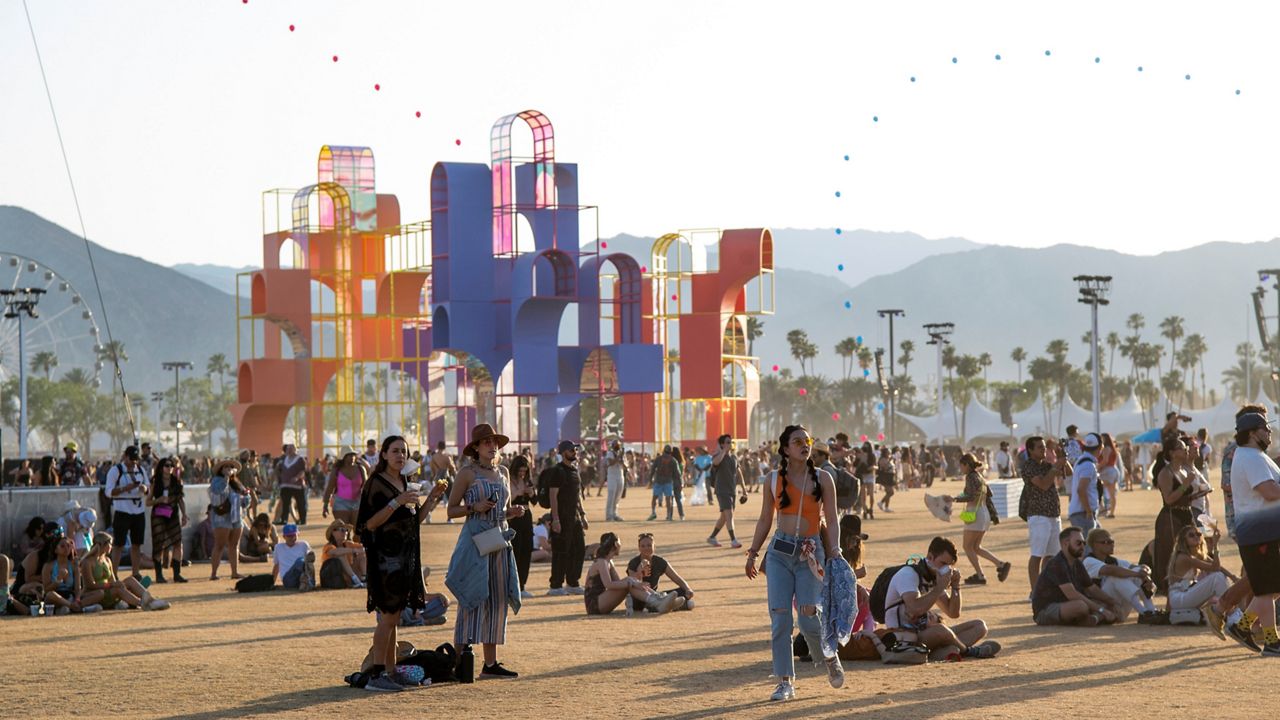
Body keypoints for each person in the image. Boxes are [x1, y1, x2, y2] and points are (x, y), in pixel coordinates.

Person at [744, 425, 844, 702]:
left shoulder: (823, 478)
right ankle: (784, 681)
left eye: (807, 440)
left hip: (811, 553)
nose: (805, 445)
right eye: (797, 441)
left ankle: (828, 654)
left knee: (809, 614)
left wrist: (834, 548)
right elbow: (765, 519)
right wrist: (753, 553)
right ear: (786, 449)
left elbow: (833, 519)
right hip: (779, 553)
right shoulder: (772, 479)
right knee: (780, 618)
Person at [357, 436, 439, 692]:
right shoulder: (376, 484)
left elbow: (414, 520)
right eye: (394, 451)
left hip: (405, 559)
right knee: (388, 618)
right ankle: (377, 674)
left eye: (403, 451)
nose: (400, 455)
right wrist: (396, 502)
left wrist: (432, 499)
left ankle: (391, 671)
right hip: (386, 559)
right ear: (383, 455)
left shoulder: (404, 481)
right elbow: (368, 524)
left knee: (393, 620)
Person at [446, 423, 524, 680]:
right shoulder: (467, 473)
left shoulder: (502, 472)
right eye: (487, 442)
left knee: (498, 599)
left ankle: (490, 664)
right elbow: (451, 510)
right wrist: (474, 507)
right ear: (476, 448)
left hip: (499, 541)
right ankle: (460, 662)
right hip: (475, 541)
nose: (493, 446)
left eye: (495, 442)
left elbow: (505, 510)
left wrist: (512, 512)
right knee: (473, 597)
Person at [1222, 412, 1280, 655]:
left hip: (1264, 531)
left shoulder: (1254, 456)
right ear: (1253, 432)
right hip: (1259, 533)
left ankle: (1243, 627)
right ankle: (1271, 641)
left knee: (1272, 587)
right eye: (1265, 429)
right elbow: (1268, 491)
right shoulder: (1251, 457)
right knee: (1266, 588)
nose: (1269, 433)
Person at [1031, 527, 1122, 626]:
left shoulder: (1076, 562)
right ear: (1066, 543)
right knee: (1081, 606)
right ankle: (1093, 618)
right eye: (1078, 543)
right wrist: (1102, 610)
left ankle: (1093, 619)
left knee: (1104, 604)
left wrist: (1112, 602)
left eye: (1084, 543)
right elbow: (1072, 594)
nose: (1082, 546)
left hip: (1067, 604)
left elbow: (1092, 588)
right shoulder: (1056, 564)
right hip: (1046, 610)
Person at [944, 453, 1011, 585]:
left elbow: (971, 497)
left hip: (975, 514)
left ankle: (980, 575)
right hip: (984, 513)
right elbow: (988, 494)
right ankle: (1000, 564)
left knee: (968, 547)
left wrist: (955, 499)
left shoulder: (970, 477)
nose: (960, 469)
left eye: (961, 466)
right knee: (976, 547)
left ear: (966, 465)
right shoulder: (979, 476)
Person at [1151, 435, 1205, 594]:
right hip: (1170, 518)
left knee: (1194, 548)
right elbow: (1168, 499)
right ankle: (1168, 590)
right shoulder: (1165, 473)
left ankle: (1189, 583)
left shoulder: (1183, 469)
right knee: (1169, 554)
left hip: (1186, 513)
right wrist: (1186, 484)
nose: (1186, 449)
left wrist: (1194, 495)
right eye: (1182, 447)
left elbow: (1181, 496)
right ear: (1172, 453)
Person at [585, 532, 684, 615]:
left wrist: (636, 578)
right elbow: (609, 584)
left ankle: (660, 600)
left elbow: (619, 583)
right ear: (615, 544)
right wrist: (632, 582)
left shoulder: (609, 561)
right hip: (594, 605)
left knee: (630, 581)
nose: (621, 545)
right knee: (629, 581)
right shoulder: (602, 562)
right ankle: (657, 602)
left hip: (601, 601)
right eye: (619, 542)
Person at [1082, 529, 1162, 623]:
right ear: (1095, 545)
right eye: (1106, 542)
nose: (1111, 545)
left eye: (1112, 542)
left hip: (1118, 607)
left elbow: (1141, 567)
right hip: (1101, 607)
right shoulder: (1088, 561)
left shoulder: (1114, 561)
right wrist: (1138, 574)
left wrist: (1146, 574)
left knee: (1136, 571)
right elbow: (1111, 570)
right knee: (1115, 577)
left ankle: (1151, 611)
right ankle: (1144, 612)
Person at [1021, 436, 1066, 591]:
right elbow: (1044, 484)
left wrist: (1061, 457)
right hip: (1039, 515)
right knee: (1037, 555)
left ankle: (1045, 587)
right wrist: (1055, 467)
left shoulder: (1047, 465)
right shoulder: (1028, 466)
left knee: (1051, 555)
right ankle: (1034, 591)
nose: (1044, 450)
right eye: (1040, 447)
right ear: (1031, 450)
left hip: (1053, 514)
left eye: (1045, 447)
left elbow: (1068, 473)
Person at [80, 532, 168, 610]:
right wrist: (111, 585)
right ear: (103, 545)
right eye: (110, 544)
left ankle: (151, 600)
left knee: (129, 580)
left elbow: (112, 581)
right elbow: (90, 585)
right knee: (118, 589)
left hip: (108, 590)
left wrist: (120, 585)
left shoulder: (107, 560)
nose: (111, 546)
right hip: (96, 594)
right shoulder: (88, 562)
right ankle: (142, 603)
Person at [1166, 524, 1235, 615]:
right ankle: (1230, 613)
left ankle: (1228, 611)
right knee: (1217, 577)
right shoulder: (1184, 557)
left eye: (1198, 534)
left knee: (1221, 577)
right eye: (1191, 535)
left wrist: (1233, 577)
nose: (1196, 537)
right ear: (1184, 540)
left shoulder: (1196, 555)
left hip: (1187, 594)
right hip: (1179, 597)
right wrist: (1215, 545)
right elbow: (1215, 567)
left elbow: (1219, 567)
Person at [547, 440, 587, 596]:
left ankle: (572, 582)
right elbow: (553, 496)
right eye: (572, 449)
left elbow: (578, 496)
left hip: (575, 516)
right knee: (561, 551)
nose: (575, 451)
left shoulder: (574, 470)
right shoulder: (558, 471)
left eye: (575, 449)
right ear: (563, 452)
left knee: (579, 549)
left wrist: (582, 515)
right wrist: (555, 519)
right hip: (562, 516)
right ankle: (556, 585)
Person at [105, 446, 150, 581]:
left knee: (137, 543)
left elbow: (148, 487)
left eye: (135, 460)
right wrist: (125, 489)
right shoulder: (116, 471)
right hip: (122, 510)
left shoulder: (140, 470)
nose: (133, 463)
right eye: (131, 459)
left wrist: (144, 488)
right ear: (125, 456)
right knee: (118, 544)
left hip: (138, 510)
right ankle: (114, 573)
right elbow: (108, 492)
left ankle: (135, 573)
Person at [626, 532, 694, 609]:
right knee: (641, 600)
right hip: (640, 597)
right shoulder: (633, 563)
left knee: (683, 591)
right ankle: (675, 605)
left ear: (654, 547)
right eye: (643, 546)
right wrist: (640, 569)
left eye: (649, 545)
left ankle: (661, 605)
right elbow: (633, 584)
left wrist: (688, 589)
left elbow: (677, 578)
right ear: (639, 548)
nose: (646, 548)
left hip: (656, 595)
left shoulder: (660, 562)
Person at [147, 457, 188, 583]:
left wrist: (184, 514)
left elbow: (180, 500)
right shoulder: (156, 482)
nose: (169, 467)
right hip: (158, 515)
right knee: (159, 544)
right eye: (166, 465)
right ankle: (159, 575)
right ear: (161, 467)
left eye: (171, 465)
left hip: (173, 514)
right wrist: (158, 500)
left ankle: (177, 574)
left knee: (177, 543)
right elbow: (148, 502)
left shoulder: (177, 482)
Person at [40, 534, 103, 614]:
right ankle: (76, 608)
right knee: (50, 595)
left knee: (100, 593)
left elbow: (77, 588)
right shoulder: (48, 566)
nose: (66, 548)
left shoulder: (73, 565)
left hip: (70, 596)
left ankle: (73, 607)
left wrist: (77, 599)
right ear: (55, 550)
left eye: (68, 546)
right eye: (62, 546)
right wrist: (58, 580)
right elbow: (46, 590)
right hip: (56, 598)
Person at [209, 458, 248, 581]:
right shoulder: (216, 481)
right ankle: (214, 573)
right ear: (221, 470)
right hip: (222, 517)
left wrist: (246, 496)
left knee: (234, 545)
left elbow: (245, 501)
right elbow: (218, 493)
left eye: (230, 467)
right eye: (225, 467)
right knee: (219, 545)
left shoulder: (237, 482)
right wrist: (226, 480)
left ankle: (234, 572)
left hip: (236, 517)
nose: (228, 469)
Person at [707, 434, 744, 548]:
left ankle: (712, 537)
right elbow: (715, 463)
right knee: (729, 514)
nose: (730, 444)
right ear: (722, 444)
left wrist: (744, 489)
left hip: (732, 490)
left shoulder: (734, 458)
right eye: (727, 442)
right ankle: (733, 540)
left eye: (731, 442)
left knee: (724, 516)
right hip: (722, 490)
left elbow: (739, 473)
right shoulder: (718, 456)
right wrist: (723, 451)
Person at [1067, 433, 1102, 534]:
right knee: (1088, 548)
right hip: (1083, 513)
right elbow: (1081, 490)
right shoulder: (1088, 465)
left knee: (1099, 541)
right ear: (1100, 447)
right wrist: (1089, 511)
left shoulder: (1081, 460)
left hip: (1080, 512)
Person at [323, 451, 366, 527]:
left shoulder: (361, 469)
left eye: (353, 455)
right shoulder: (337, 470)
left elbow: (367, 486)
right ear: (343, 457)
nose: (352, 457)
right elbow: (330, 487)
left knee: (359, 530)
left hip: (358, 502)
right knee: (344, 530)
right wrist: (325, 504)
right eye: (349, 455)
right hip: (341, 503)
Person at [320, 520, 366, 589]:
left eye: (346, 530)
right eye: (342, 530)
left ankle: (364, 578)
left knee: (362, 556)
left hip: (349, 574)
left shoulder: (348, 544)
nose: (345, 532)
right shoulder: (328, 546)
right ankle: (355, 580)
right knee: (341, 556)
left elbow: (364, 548)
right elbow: (335, 552)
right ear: (333, 532)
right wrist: (354, 550)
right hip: (335, 576)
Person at [274, 443, 308, 525]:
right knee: (285, 503)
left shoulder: (300, 459)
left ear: (295, 449)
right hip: (285, 485)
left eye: (291, 449)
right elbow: (278, 469)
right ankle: (284, 520)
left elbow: (303, 471)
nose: (288, 450)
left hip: (298, 486)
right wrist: (278, 479)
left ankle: (302, 520)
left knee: (300, 503)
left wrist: (297, 477)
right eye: (288, 449)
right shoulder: (283, 459)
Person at [272, 523, 313, 589]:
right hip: (288, 579)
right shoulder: (278, 547)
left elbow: (310, 563)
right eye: (289, 536)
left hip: (302, 573)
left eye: (294, 535)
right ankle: (306, 582)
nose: (292, 538)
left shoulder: (303, 544)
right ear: (284, 537)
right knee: (300, 561)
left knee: (308, 564)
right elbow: (277, 566)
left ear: (298, 534)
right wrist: (272, 582)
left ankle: (307, 582)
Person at [648, 445, 680, 522]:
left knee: (654, 497)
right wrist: (679, 483)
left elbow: (652, 469)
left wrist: (650, 480)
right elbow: (677, 474)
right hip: (668, 481)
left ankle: (653, 512)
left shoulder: (658, 459)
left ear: (663, 451)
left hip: (658, 481)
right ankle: (668, 515)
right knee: (668, 499)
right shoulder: (673, 460)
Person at [1098, 433, 1121, 518]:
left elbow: (1105, 460)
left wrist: (1097, 467)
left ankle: (1103, 508)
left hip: (1107, 471)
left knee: (1098, 489)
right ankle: (1111, 512)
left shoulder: (1106, 448)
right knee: (1112, 494)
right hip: (1113, 470)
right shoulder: (1113, 448)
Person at [876, 446, 898, 513]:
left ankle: (886, 507)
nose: (889, 453)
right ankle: (881, 503)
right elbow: (884, 468)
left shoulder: (888, 459)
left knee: (888, 492)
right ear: (885, 453)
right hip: (885, 477)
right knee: (891, 492)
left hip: (890, 476)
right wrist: (889, 461)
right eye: (888, 452)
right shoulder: (882, 459)